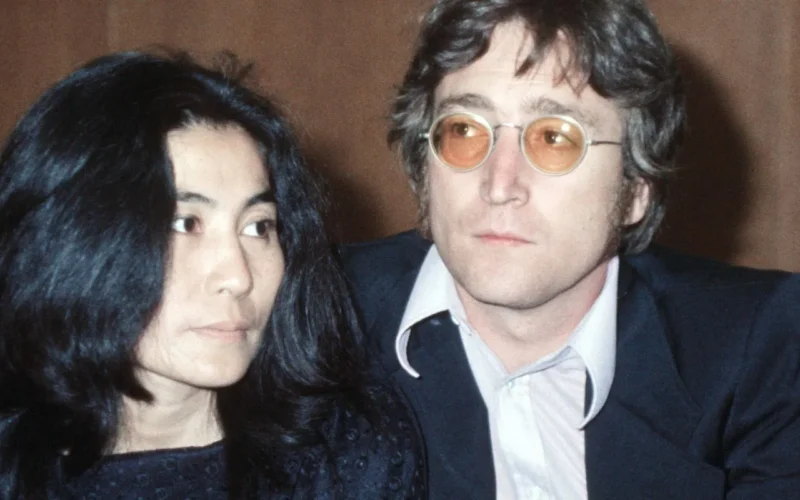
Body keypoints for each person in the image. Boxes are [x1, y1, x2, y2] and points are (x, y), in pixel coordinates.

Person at [343, 0, 800, 499]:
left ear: (636, 189)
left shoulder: (760, 347)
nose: (500, 184)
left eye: (555, 138)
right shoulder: (317, 319)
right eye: (464, 130)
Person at [0, 51, 425, 499]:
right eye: (186, 223)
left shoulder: (348, 456)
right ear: (74, 239)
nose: (238, 276)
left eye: (258, 227)